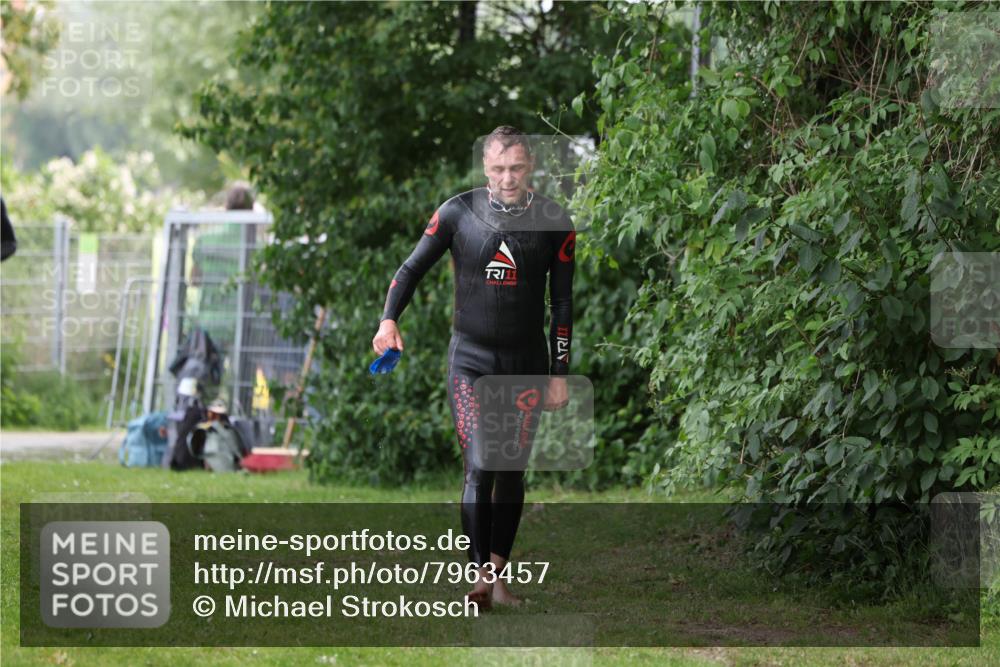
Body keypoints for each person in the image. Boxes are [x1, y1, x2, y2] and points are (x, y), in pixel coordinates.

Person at [372, 126, 575, 610]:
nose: (508, 178)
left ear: (531, 167)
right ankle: (479, 576)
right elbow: (410, 269)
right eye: (499, 169)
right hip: (471, 361)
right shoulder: (457, 213)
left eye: (517, 168)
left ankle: (496, 579)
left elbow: (562, 303)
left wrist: (559, 372)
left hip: (526, 363)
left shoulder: (554, 220)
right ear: (485, 168)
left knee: (510, 471)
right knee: (481, 464)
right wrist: (388, 320)